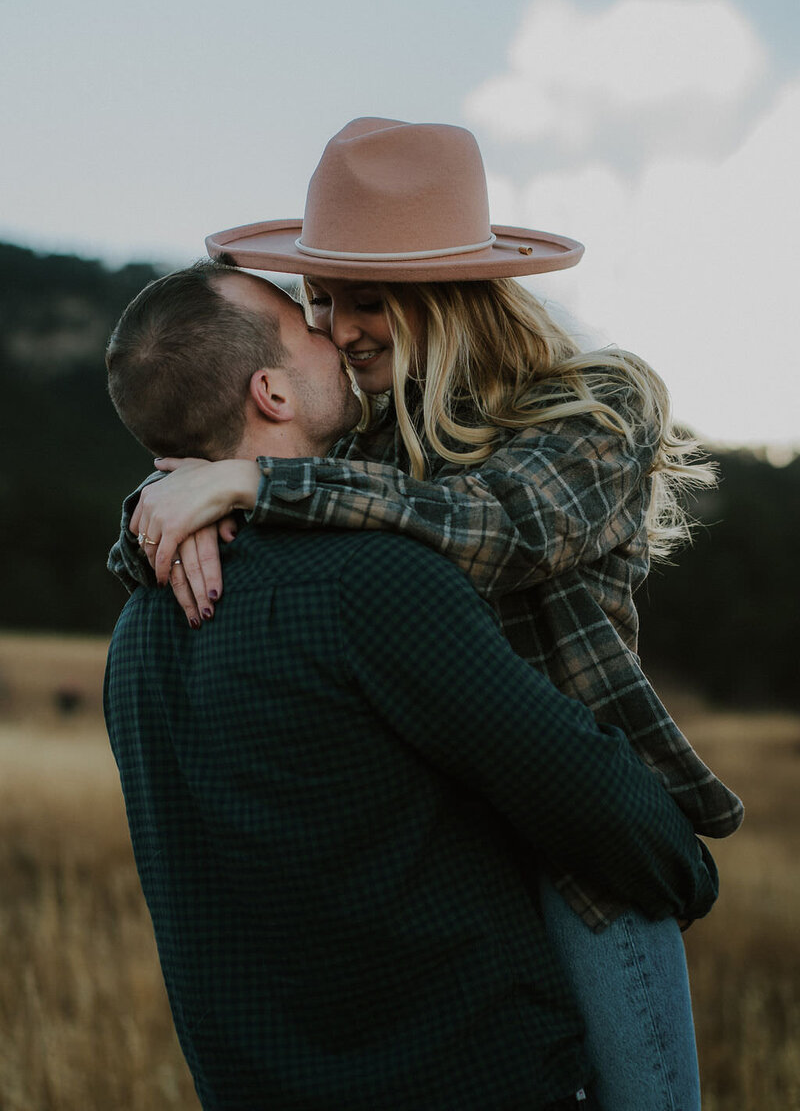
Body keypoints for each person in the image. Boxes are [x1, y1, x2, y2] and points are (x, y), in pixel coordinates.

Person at [109, 119, 744, 1109]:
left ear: (449, 295)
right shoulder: (362, 439)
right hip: (451, 849)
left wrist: (253, 487)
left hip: (584, 857)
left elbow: (501, 528)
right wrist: (162, 509)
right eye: (320, 302)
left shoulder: (589, 411)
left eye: (365, 301)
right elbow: (259, 480)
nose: (337, 327)